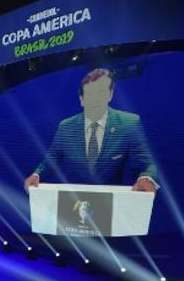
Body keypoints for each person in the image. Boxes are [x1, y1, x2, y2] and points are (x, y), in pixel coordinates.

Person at [24, 68, 157, 192]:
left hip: (113, 203)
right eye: (91, 94)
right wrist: (37, 175)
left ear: (110, 95)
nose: (96, 100)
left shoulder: (129, 123)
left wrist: (146, 178)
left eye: (101, 92)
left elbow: (146, 164)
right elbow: (51, 160)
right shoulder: (66, 127)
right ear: (81, 99)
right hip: (74, 203)